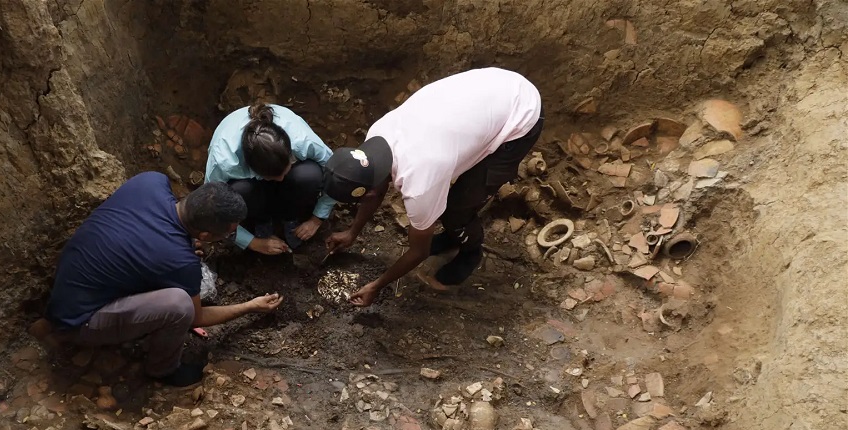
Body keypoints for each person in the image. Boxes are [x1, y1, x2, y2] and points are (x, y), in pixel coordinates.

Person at [322, 67, 544, 306]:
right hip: (492, 88)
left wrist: (376, 286)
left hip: (520, 114)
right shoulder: (377, 136)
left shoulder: (419, 182)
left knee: (458, 209)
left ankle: (470, 252)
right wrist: (352, 232)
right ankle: (453, 236)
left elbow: (419, 251)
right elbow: (376, 188)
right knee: (457, 193)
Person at [42, 172, 284, 387]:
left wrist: (184, 244)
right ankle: (163, 369)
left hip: (68, 286)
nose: (229, 237)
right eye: (228, 234)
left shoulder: (151, 181)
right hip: (78, 321)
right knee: (179, 305)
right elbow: (196, 317)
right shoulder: (182, 262)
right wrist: (250, 306)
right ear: (205, 235)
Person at [205, 104, 338, 255]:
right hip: (251, 188)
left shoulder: (302, 141)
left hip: (292, 180)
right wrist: (252, 242)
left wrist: (317, 219)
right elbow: (212, 210)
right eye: (273, 177)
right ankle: (261, 221)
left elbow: (336, 175)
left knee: (309, 174)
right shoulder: (223, 161)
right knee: (241, 190)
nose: (280, 179)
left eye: (284, 172)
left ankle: (291, 217)